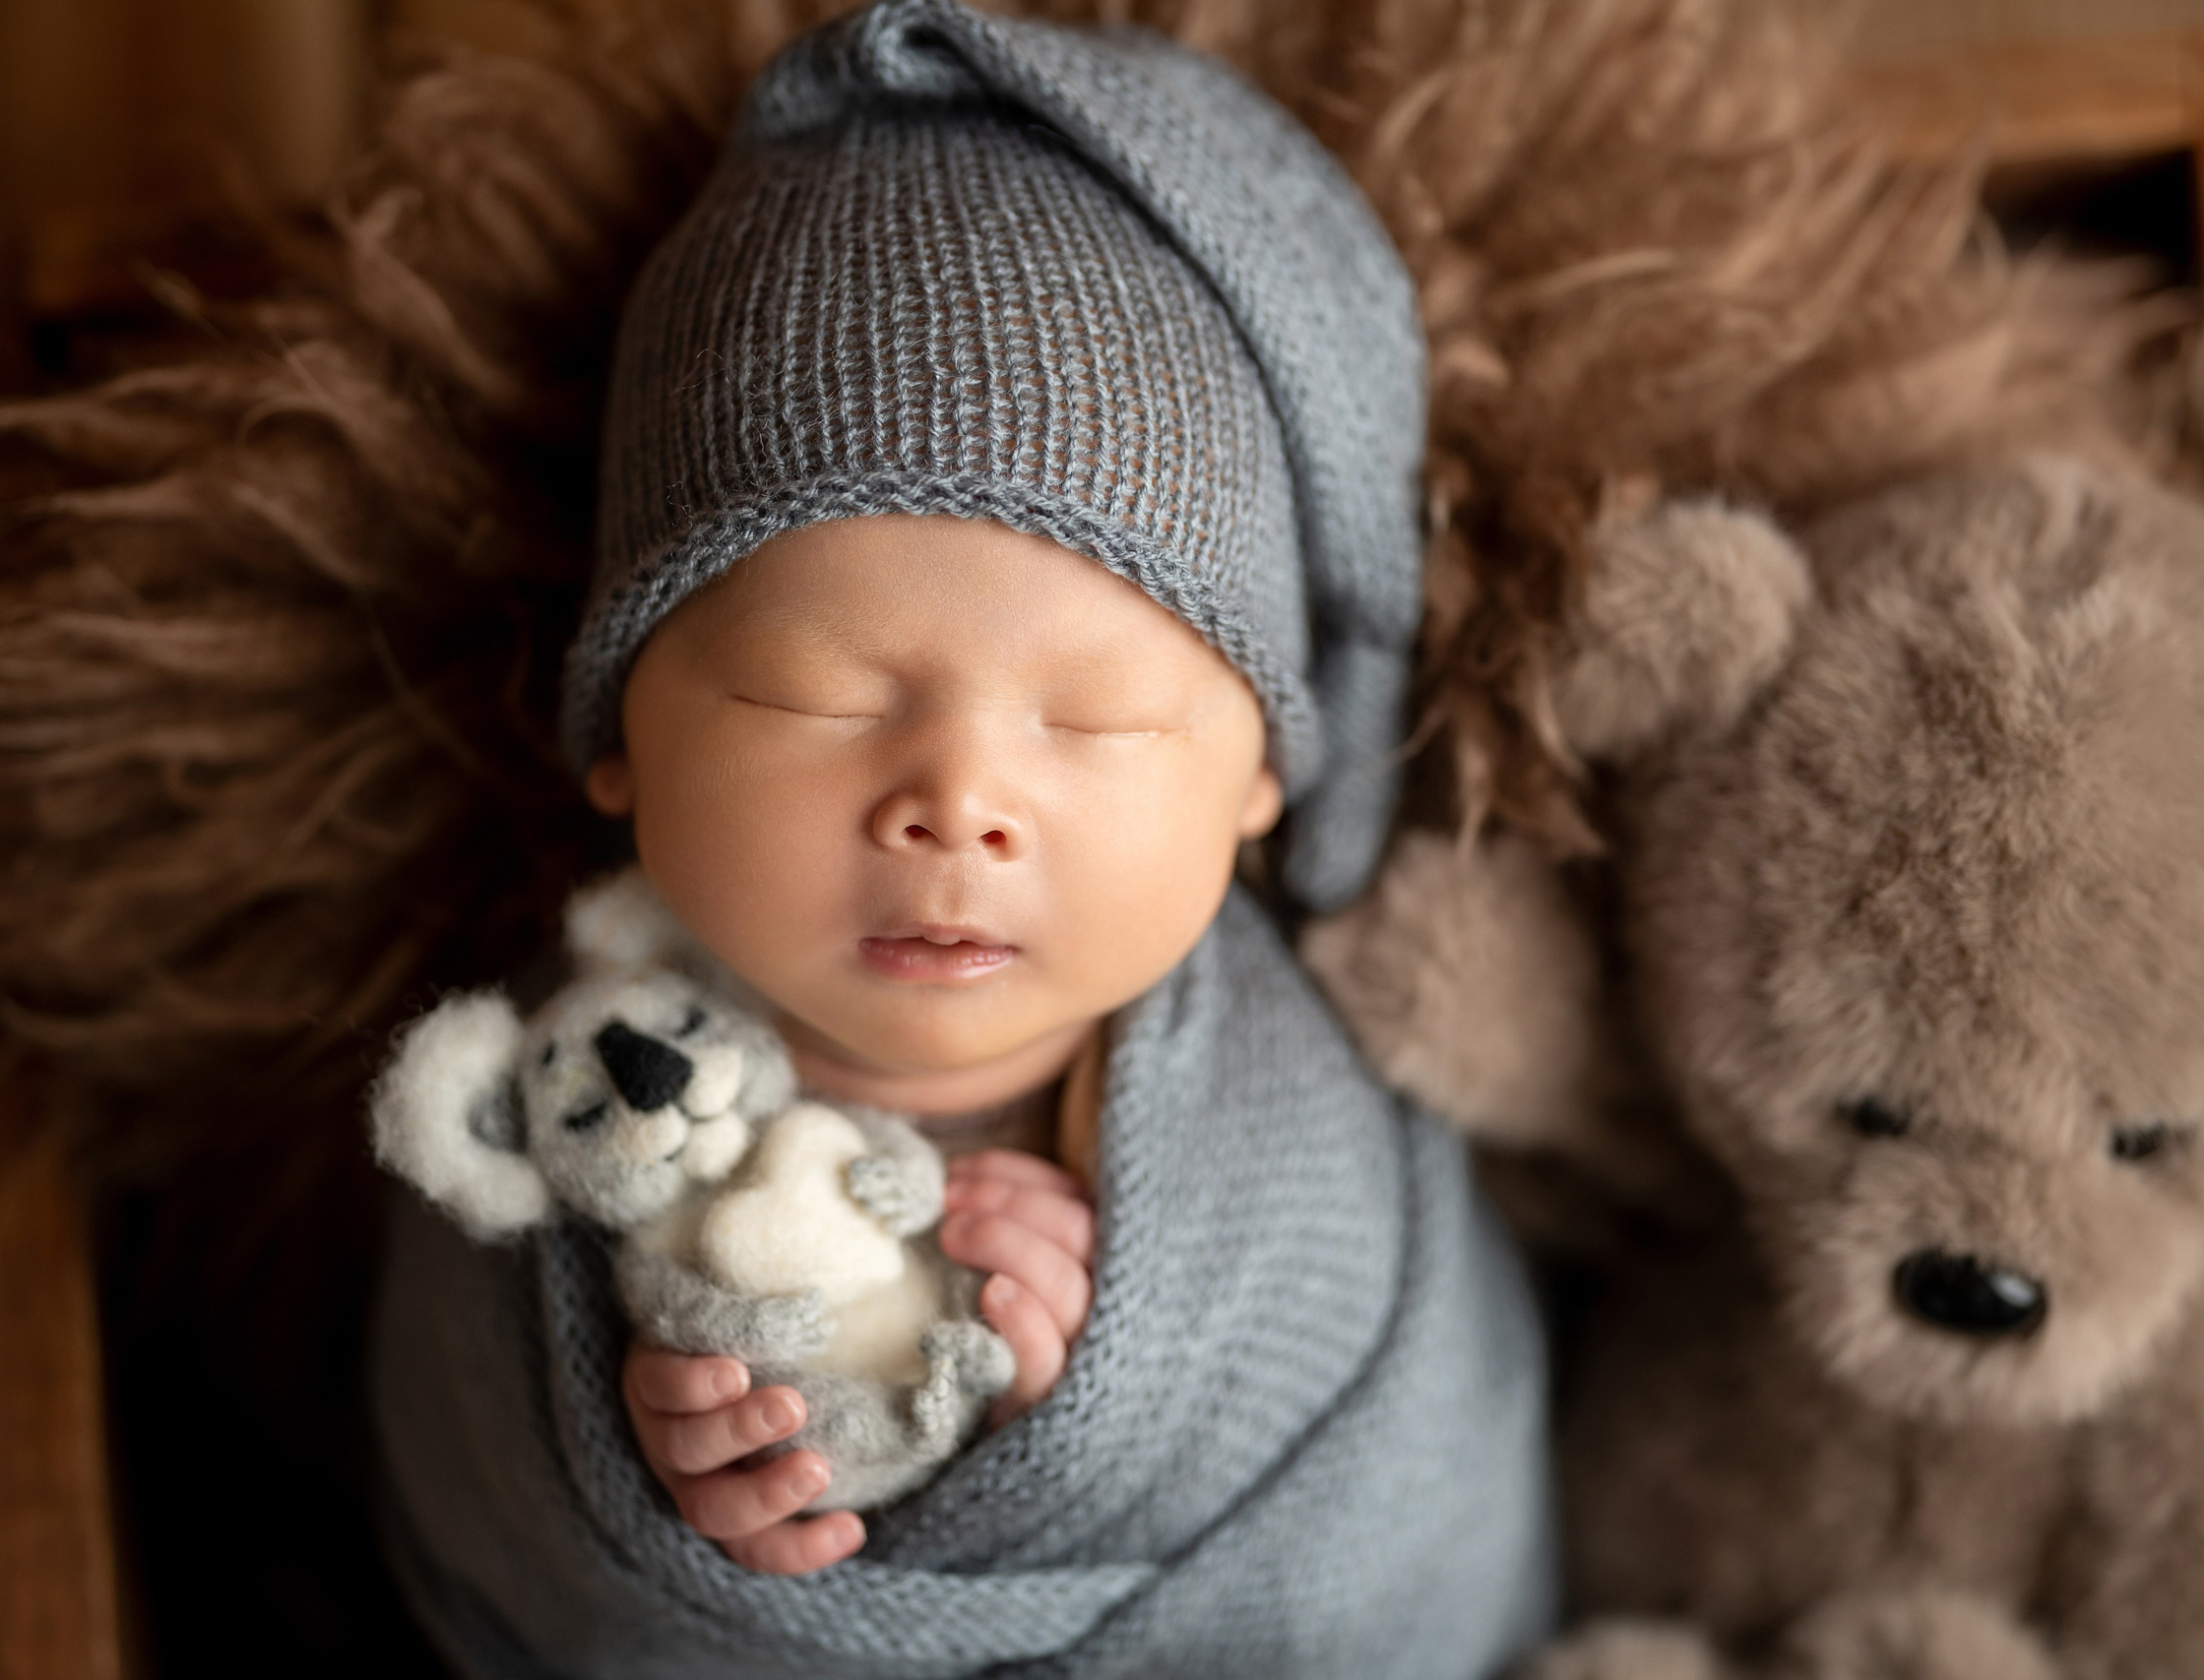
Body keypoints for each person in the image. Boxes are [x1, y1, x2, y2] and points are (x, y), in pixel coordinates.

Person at [369, 3, 1554, 1674]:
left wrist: (1097, 1412)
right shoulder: (558, 1094)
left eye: (1097, 721)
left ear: (1254, 783)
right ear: (621, 725)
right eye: (813, 692)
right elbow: (495, 1473)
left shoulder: (1297, 1150)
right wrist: (681, 1473)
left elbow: (1403, 1487)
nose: (957, 800)